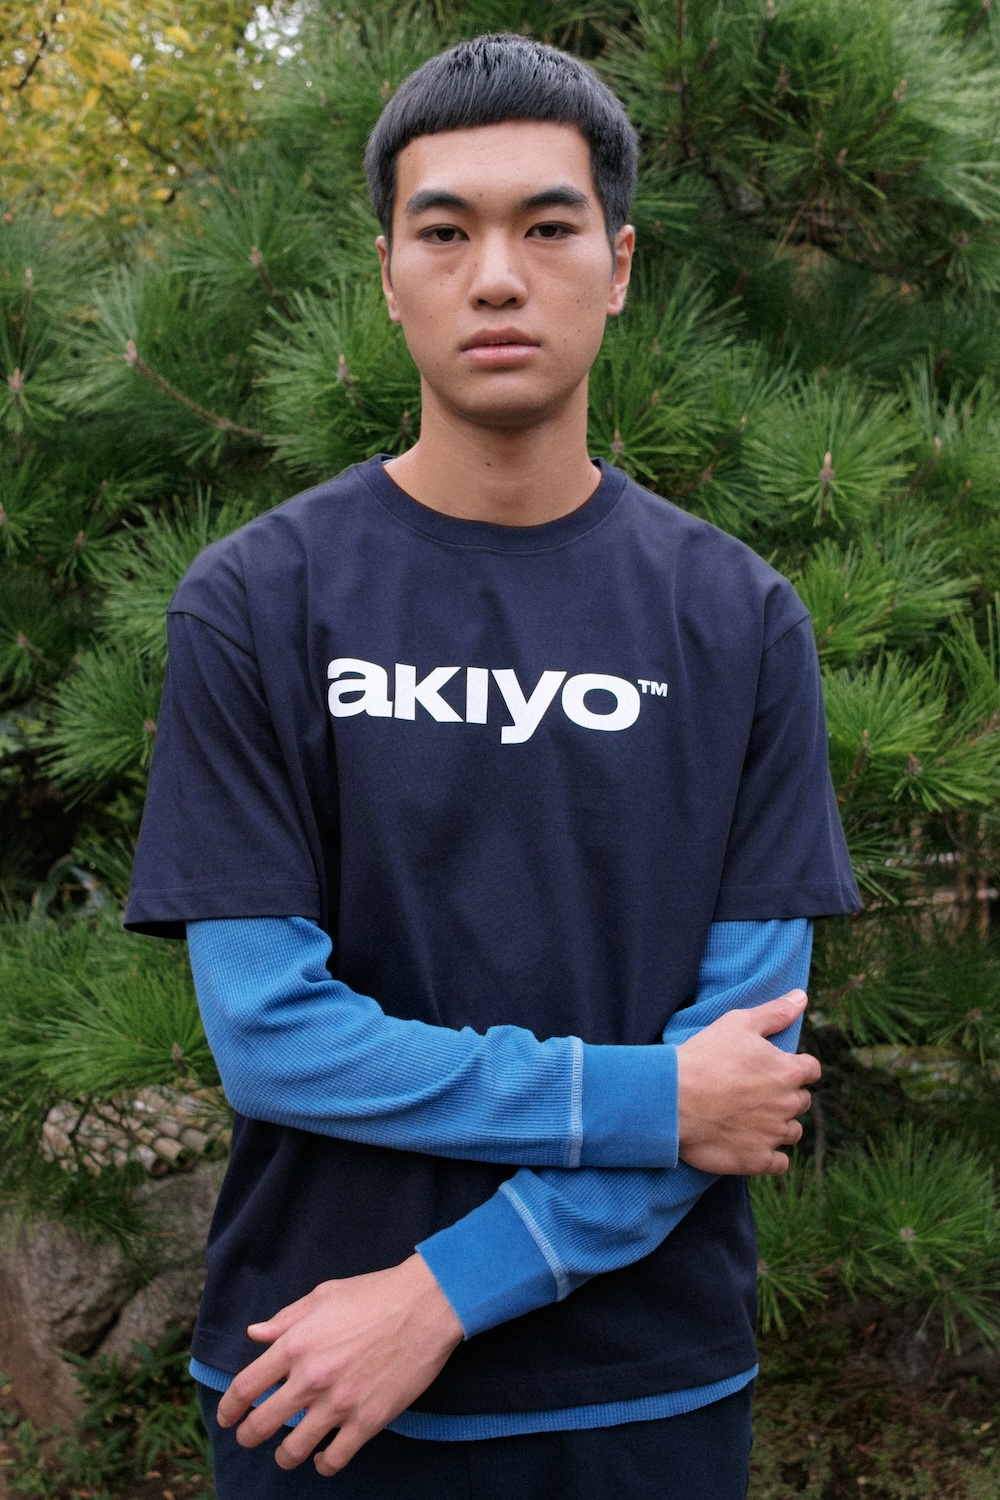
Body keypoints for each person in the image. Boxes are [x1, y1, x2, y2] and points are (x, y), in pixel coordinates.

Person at [125, 32, 860, 1500]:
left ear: (621, 264)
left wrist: (447, 1290)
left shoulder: (739, 620)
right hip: (308, 1380)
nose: (499, 277)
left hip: (646, 1387)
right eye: (446, 231)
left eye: (549, 227)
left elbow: (742, 1070)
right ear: (389, 273)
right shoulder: (256, 602)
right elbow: (270, 1034)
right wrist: (645, 1099)